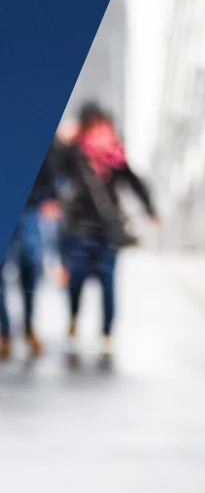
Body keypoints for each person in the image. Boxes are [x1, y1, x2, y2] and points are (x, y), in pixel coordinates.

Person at [56, 103, 155, 358]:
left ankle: (107, 334)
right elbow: (53, 165)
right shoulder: (73, 152)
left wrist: (150, 209)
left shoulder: (114, 154)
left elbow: (133, 179)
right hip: (78, 228)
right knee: (76, 280)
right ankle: (73, 321)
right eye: (94, 125)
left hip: (106, 230)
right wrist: (62, 139)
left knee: (108, 282)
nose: (100, 131)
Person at [0, 149, 61, 359]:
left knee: (31, 268)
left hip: (29, 208)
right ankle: (4, 331)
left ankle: (28, 326)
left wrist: (49, 195)